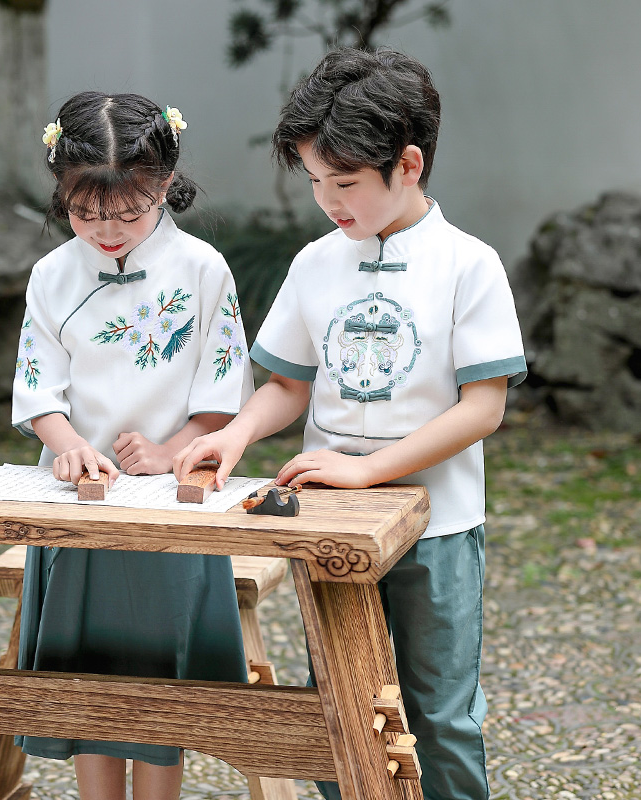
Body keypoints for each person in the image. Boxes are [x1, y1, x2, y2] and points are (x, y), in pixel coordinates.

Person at [174, 47, 527, 800]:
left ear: (408, 164)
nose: (329, 201)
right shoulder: (315, 263)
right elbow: (287, 385)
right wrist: (235, 434)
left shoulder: (470, 265)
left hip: (437, 525)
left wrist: (369, 467)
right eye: (314, 183)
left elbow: (483, 407)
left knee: (440, 711)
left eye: (345, 183)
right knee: (339, 703)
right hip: (329, 521)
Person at [11, 91, 253, 800]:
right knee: (87, 668)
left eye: (128, 212)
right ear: (62, 195)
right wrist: (65, 447)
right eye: (85, 213)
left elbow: (222, 391)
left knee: (161, 668)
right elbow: (38, 388)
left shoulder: (204, 269)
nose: (105, 231)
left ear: (165, 187)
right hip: (78, 496)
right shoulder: (52, 275)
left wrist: (175, 446)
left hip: (170, 493)